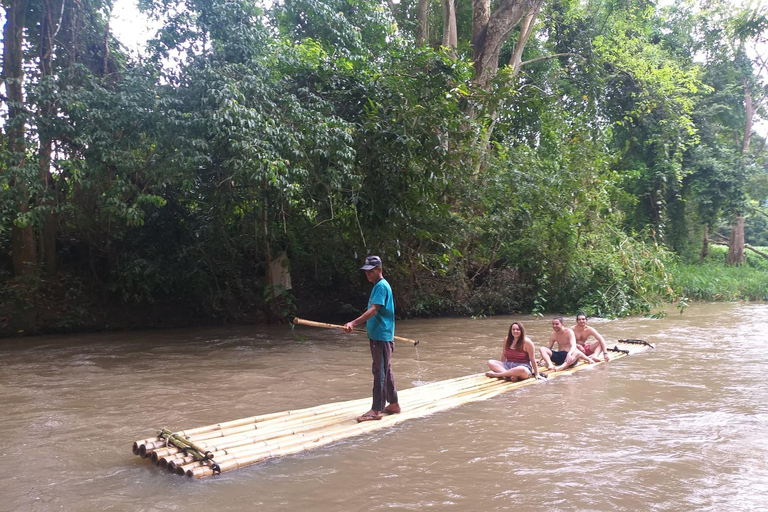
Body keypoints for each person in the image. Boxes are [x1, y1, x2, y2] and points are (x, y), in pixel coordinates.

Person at [344, 255, 400, 422]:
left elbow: (374, 310)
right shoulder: (378, 286)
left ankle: (376, 410)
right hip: (380, 335)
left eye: (371, 271)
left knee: (380, 371)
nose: (368, 274)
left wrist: (353, 323)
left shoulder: (381, 286)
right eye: (366, 272)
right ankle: (394, 403)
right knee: (385, 369)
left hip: (381, 337)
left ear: (379, 270)